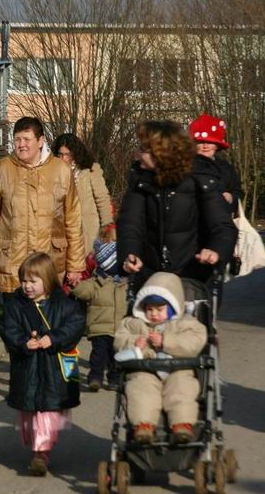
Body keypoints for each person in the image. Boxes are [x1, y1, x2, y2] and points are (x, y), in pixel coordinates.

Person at [117, 120, 237, 286]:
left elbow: (222, 226)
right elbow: (130, 225)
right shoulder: (140, 180)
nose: (137, 154)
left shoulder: (201, 179)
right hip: (149, 275)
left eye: (142, 149)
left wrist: (215, 251)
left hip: (193, 275)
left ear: (160, 153)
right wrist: (130, 255)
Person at [0, 252, 85, 475]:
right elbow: (7, 328)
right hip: (27, 369)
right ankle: (37, 446)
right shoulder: (16, 305)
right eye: (24, 281)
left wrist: (53, 338)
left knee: (48, 413)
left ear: (47, 280)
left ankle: (41, 453)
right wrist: (22, 342)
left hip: (53, 371)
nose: (27, 286)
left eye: (33, 281)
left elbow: (75, 325)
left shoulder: (64, 304)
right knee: (29, 413)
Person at [0, 116, 85, 295]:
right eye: (17, 139)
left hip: (49, 262)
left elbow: (73, 220)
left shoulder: (61, 170)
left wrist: (75, 265)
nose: (21, 145)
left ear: (40, 141)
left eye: (27, 139)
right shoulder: (2, 169)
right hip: (12, 262)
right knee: (13, 312)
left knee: (47, 311)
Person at [114, 271, 207, 444]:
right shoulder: (133, 323)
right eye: (149, 309)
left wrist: (167, 341)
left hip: (178, 367)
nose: (154, 314)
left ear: (171, 307)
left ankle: (182, 424)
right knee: (140, 389)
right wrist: (134, 343)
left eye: (159, 309)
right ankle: (143, 425)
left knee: (182, 388)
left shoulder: (185, 323)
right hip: (145, 369)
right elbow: (119, 339)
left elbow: (195, 342)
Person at [72, 227, 128, 392]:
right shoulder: (96, 282)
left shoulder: (126, 283)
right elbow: (83, 291)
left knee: (116, 358)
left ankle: (114, 379)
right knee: (98, 356)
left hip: (119, 328)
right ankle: (95, 377)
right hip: (100, 328)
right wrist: (75, 285)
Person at [52, 132, 113, 254]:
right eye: (60, 154)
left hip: (88, 230)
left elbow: (102, 198)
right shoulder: (53, 172)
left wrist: (107, 226)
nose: (63, 158)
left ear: (75, 154)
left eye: (67, 154)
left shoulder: (90, 169)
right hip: (63, 231)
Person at [190, 113, 243, 215]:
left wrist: (231, 197)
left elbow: (237, 191)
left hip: (221, 218)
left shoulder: (226, 168)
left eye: (210, 142)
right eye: (201, 142)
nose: (205, 146)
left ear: (217, 145)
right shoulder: (184, 167)